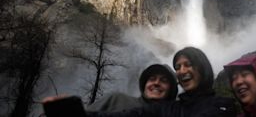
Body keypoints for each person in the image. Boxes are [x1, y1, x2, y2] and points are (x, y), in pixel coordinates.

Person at [43, 47, 236, 117]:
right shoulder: (167, 110)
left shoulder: (224, 106)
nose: (182, 70)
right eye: (178, 66)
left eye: (188, 64)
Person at [86, 64, 178, 112]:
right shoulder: (117, 100)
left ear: (171, 89)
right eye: (152, 79)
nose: (156, 83)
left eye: (164, 80)